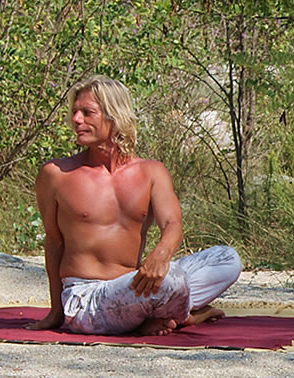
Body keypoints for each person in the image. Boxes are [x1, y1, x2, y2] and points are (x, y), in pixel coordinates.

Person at [26, 75, 241, 336]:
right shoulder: (56, 174)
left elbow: (173, 224)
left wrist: (161, 253)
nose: (76, 120)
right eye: (74, 112)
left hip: (133, 285)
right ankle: (182, 315)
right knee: (172, 279)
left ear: (114, 115)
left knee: (227, 259)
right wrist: (55, 313)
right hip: (88, 299)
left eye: (87, 112)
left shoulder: (151, 172)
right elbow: (53, 243)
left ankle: (158, 312)